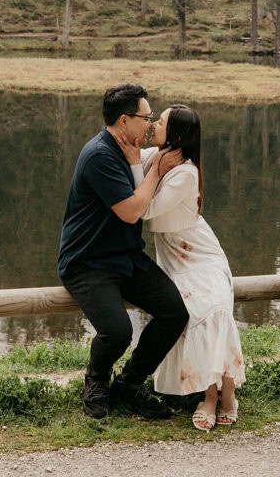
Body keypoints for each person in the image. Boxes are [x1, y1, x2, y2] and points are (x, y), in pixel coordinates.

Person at [58, 83, 188, 420]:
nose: (150, 124)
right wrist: (157, 169)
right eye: (146, 117)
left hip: (126, 256)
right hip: (88, 262)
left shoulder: (130, 149)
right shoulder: (100, 154)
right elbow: (131, 211)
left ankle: (129, 384)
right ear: (123, 120)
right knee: (117, 331)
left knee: (175, 312)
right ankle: (96, 381)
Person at [124, 104, 246, 431]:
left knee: (214, 309)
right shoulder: (160, 158)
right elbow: (133, 160)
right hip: (174, 259)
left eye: (159, 121)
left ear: (176, 132)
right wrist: (134, 151)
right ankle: (210, 394)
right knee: (193, 311)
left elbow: (144, 209)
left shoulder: (185, 173)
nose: (152, 125)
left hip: (200, 255)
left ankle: (224, 393)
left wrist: (143, 164)